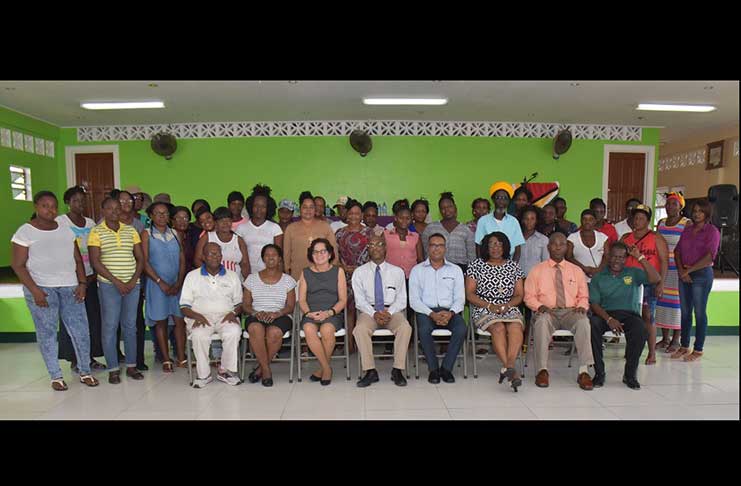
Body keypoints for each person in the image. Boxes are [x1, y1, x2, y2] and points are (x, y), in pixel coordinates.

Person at [11, 191, 100, 390]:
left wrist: (82, 283)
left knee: (80, 330)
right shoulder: (25, 232)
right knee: (47, 332)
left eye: (53, 206)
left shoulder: (65, 230)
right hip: (42, 289)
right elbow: (18, 265)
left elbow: (77, 259)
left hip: (70, 287)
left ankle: (85, 371)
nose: (50, 210)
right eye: (45, 205)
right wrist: (34, 291)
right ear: (36, 207)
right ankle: (56, 376)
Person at [524, 232, 594, 390]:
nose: (557, 247)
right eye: (554, 244)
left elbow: (584, 295)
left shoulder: (576, 270)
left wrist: (582, 306)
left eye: (561, 244)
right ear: (548, 247)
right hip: (547, 311)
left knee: (584, 322)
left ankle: (584, 371)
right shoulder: (537, 270)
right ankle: (542, 370)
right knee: (541, 322)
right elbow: (529, 296)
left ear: (566, 247)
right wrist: (538, 306)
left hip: (571, 311)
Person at [88, 196, 145, 384]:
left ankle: (131, 366)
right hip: (108, 285)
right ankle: (113, 368)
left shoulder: (131, 231)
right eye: (110, 209)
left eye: (117, 208)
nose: (115, 212)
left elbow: (140, 258)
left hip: (132, 285)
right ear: (103, 211)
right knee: (110, 326)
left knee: (130, 326)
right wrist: (116, 282)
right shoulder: (96, 232)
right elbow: (96, 262)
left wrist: (133, 280)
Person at [588, 242, 661, 389]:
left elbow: (655, 278)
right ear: (608, 257)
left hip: (629, 314)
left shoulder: (633, 272)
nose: (617, 260)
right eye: (614, 256)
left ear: (626, 258)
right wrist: (609, 319)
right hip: (605, 314)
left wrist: (640, 257)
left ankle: (630, 375)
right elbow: (594, 304)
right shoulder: (599, 277)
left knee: (640, 329)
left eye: (621, 257)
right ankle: (599, 374)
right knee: (593, 325)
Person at [465, 232, 525, 391]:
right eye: (491, 244)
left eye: (499, 243)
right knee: (498, 327)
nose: (495, 247)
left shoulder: (513, 266)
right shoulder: (476, 265)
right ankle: (511, 370)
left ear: (505, 246)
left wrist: (506, 305)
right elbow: (469, 294)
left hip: (509, 305)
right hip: (483, 306)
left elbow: (519, 294)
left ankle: (509, 366)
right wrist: (489, 306)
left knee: (515, 327)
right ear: (486, 247)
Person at [55, 186, 105, 372]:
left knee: (92, 320)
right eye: (75, 200)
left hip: (91, 278)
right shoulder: (60, 222)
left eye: (82, 200)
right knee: (73, 320)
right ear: (67, 202)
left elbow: (95, 249)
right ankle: (75, 359)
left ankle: (89, 357)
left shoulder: (90, 223)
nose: (80, 204)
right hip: (71, 280)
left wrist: (93, 274)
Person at [179, 242, 243, 388]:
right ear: (203, 256)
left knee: (233, 332)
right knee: (199, 335)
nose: (216, 257)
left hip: (225, 316)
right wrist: (196, 316)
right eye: (211, 253)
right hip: (199, 317)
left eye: (218, 254)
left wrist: (234, 313)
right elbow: (184, 305)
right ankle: (204, 375)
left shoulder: (232, 276)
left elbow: (239, 303)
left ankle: (225, 371)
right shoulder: (192, 276)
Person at [352, 233, 412, 387]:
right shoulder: (359, 272)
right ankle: (370, 371)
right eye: (371, 245)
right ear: (367, 249)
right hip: (369, 311)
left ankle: (397, 370)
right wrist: (374, 314)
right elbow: (359, 301)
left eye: (379, 244)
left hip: (392, 311)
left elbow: (402, 299)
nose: (375, 248)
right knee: (359, 330)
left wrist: (389, 312)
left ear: (385, 248)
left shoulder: (397, 271)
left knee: (405, 328)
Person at [410, 233, 467, 384]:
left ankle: (446, 369)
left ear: (445, 248)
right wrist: (431, 314)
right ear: (428, 248)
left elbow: (460, 298)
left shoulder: (455, 270)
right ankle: (433, 369)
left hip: (450, 311)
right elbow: (414, 300)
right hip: (426, 311)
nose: (437, 249)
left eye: (440, 245)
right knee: (423, 330)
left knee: (461, 328)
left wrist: (451, 313)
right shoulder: (417, 270)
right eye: (433, 245)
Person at [671, 199, 720, 362]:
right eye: (695, 211)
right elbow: (677, 251)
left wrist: (688, 271)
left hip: (701, 275)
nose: (697, 214)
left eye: (700, 211)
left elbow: (709, 257)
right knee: (685, 313)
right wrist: (681, 271)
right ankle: (684, 346)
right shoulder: (687, 229)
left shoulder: (712, 231)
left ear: (707, 213)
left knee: (699, 312)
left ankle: (698, 349)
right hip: (684, 273)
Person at [141, 201, 187, 372]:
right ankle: (166, 359)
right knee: (161, 323)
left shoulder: (175, 234)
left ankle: (181, 357)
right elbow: (144, 262)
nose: (162, 216)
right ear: (151, 216)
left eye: (165, 213)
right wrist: (160, 282)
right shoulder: (146, 235)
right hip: (157, 285)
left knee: (179, 321)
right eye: (158, 213)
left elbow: (182, 259)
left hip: (176, 285)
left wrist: (179, 281)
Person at [243, 244, 296, 386]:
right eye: (267, 255)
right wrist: (256, 313)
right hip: (257, 314)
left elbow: (290, 306)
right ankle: (266, 370)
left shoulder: (288, 280)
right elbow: (246, 305)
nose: (271, 257)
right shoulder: (251, 279)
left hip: (280, 315)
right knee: (255, 329)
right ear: (263, 258)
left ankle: (260, 369)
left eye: (274, 255)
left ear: (279, 259)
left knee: (274, 332)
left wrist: (277, 313)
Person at [621, 204, 668, 365]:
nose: (638, 221)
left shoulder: (656, 238)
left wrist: (661, 283)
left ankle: (652, 353)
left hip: (649, 282)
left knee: (648, 316)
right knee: (630, 316)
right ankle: (631, 349)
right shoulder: (625, 238)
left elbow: (664, 262)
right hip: (629, 282)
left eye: (642, 218)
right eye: (636, 218)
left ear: (648, 221)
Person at [298, 238, 347, 385]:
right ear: (311, 255)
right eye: (315, 252)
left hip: (332, 312)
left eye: (323, 251)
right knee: (308, 328)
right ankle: (326, 368)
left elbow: (343, 300)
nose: (319, 255)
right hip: (311, 313)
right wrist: (308, 313)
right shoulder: (305, 272)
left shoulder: (338, 272)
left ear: (330, 253)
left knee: (326, 330)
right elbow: (301, 300)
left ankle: (322, 369)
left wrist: (329, 313)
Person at [335, 199, 374, 353]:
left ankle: (362, 343)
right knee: (349, 310)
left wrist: (359, 269)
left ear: (362, 215)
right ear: (346, 214)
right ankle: (349, 343)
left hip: (365, 276)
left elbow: (375, 255)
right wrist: (344, 267)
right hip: (344, 277)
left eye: (357, 213)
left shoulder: (370, 233)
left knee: (364, 310)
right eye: (350, 213)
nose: (354, 216)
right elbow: (333, 257)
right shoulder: (339, 233)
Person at [655, 192, 691, 353]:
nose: (670, 206)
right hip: (662, 268)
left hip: (678, 268)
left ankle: (676, 340)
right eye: (668, 203)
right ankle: (665, 338)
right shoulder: (661, 223)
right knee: (662, 302)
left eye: (674, 204)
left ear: (681, 206)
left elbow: (689, 245)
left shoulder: (686, 223)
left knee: (677, 304)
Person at [282, 191, 338, 281]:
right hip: (297, 276)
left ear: (315, 209)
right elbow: (286, 254)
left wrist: (331, 273)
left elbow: (333, 251)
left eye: (311, 207)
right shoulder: (291, 228)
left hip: (322, 276)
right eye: (305, 207)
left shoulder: (325, 226)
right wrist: (287, 272)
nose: (308, 210)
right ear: (299, 209)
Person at [421, 192, 476, 274]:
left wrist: (469, 275)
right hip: (436, 269)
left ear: (455, 208)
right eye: (443, 208)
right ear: (440, 211)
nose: (447, 210)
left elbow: (471, 256)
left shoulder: (466, 229)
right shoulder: (430, 228)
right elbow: (425, 252)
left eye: (449, 206)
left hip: (461, 271)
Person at [235, 184, 283, 274]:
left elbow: (279, 257)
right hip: (246, 275)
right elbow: (237, 254)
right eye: (256, 205)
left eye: (263, 206)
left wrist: (279, 277)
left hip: (269, 275)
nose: (259, 209)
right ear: (251, 206)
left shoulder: (275, 228)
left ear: (268, 208)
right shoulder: (241, 229)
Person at [194, 207, 250, 280]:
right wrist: (210, 275)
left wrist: (247, 283)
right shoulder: (207, 237)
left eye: (228, 220)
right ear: (216, 222)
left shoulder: (239, 240)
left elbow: (245, 264)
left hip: (235, 283)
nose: (225, 223)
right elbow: (197, 260)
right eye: (221, 221)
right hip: (212, 282)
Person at [475, 181, 525, 261]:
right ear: (493, 200)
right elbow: (478, 245)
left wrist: (513, 267)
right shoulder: (483, 221)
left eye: (505, 198)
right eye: (498, 198)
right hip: (487, 262)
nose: (501, 200)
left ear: (509, 201)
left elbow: (518, 248)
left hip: (508, 262)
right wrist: (481, 265)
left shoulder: (514, 221)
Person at [566, 209, 609, 282]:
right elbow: (568, 257)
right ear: (581, 221)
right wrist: (584, 268)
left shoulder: (603, 238)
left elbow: (607, 256)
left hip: (598, 279)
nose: (587, 222)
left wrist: (598, 270)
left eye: (590, 219)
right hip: (577, 279)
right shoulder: (572, 238)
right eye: (584, 219)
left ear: (595, 221)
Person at [384, 201, 424, 280]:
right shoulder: (386, 234)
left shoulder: (416, 237)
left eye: (408, 218)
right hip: (390, 276)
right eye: (401, 218)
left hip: (411, 276)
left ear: (412, 219)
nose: (404, 221)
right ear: (395, 218)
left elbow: (420, 259)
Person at [518, 206, 549, 278]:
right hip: (517, 281)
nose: (529, 222)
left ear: (536, 221)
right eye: (526, 219)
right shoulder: (516, 238)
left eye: (532, 219)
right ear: (522, 220)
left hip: (536, 280)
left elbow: (546, 263)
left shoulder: (543, 240)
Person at [172, 206, 196, 271]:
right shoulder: (168, 237)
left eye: (185, 218)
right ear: (172, 221)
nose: (182, 221)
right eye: (178, 218)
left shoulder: (190, 236)